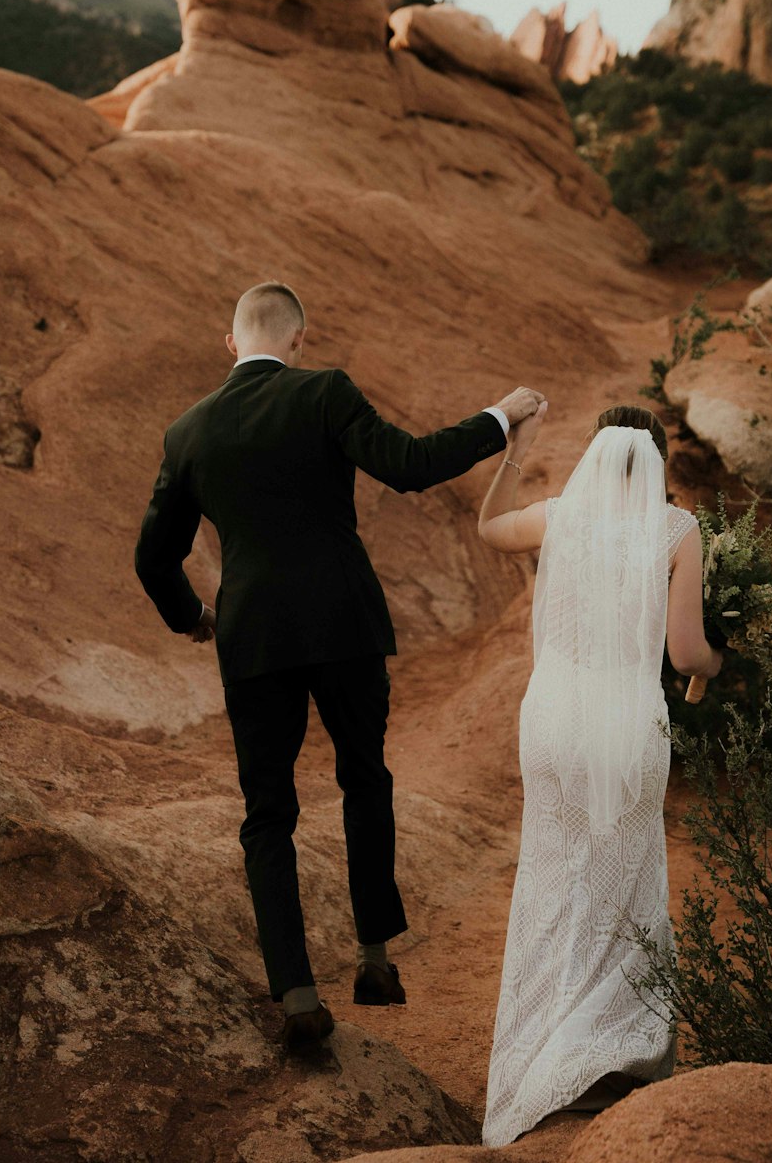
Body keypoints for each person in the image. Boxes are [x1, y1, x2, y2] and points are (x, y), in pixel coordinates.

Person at [134, 280, 545, 1050]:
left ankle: (296, 994)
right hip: (345, 622)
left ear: (230, 345)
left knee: (268, 813)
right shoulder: (324, 392)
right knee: (365, 776)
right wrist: (501, 417)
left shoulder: (187, 431)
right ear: (299, 339)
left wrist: (193, 620)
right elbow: (413, 465)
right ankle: (375, 958)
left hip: (253, 635)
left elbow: (153, 557)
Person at [478, 403, 722, 1146]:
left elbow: (489, 527)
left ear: (595, 455)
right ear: (656, 462)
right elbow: (684, 654)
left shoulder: (558, 517)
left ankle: (538, 1057)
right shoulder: (678, 531)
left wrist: (515, 452)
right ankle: (612, 1057)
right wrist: (716, 663)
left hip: (552, 719)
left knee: (552, 877)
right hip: (626, 720)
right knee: (627, 877)